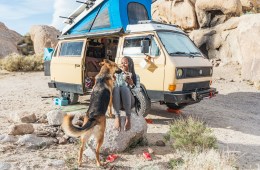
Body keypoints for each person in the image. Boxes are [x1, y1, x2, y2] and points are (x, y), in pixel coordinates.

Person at [113, 56, 140, 131]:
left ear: (130, 64)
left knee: (125, 88)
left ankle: (128, 118)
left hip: (130, 102)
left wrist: (131, 84)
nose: (123, 65)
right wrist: (114, 80)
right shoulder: (116, 75)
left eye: (125, 63)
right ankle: (117, 117)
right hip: (118, 103)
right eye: (122, 63)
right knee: (116, 88)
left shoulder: (135, 76)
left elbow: (138, 92)